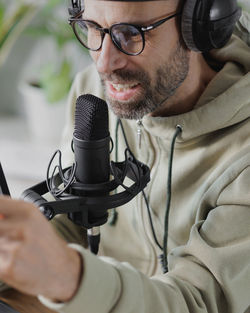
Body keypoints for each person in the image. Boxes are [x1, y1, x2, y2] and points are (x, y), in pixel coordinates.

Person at [0, 0, 250, 312]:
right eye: (93, 28)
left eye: (131, 33)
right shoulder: (94, 91)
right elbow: (72, 223)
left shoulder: (244, 158)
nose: (104, 64)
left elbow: (197, 302)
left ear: (200, 25)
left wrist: (70, 276)